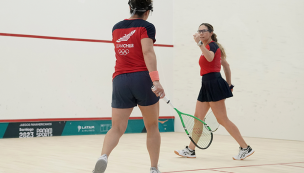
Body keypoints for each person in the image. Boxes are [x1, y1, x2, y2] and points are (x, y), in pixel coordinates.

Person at [93, 0, 164, 172]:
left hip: (120, 80)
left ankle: (103, 156)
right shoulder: (147, 27)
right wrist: (155, 80)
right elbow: (147, 52)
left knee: (117, 127)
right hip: (142, 79)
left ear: (130, 8)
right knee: (152, 126)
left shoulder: (116, 27)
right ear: (148, 12)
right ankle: (154, 168)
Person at [174, 23, 254, 160]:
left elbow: (210, 58)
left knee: (222, 119)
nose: (201, 33)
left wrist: (198, 44)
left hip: (213, 83)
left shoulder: (212, 46)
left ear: (211, 33)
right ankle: (191, 150)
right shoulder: (209, 47)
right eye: (199, 31)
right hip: (206, 84)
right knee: (198, 117)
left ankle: (245, 148)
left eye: (204, 31)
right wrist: (229, 84)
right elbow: (226, 66)